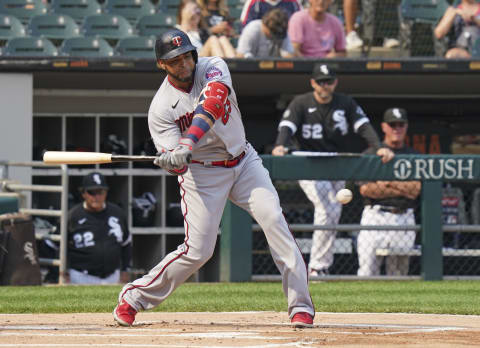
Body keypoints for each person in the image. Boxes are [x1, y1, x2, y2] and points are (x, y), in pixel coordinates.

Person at [113, 28, 315, 328]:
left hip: (244, 162)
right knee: (198, 251)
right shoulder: (160, 108)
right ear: (161, 65)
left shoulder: (213, 66)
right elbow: (178, 166)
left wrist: (187, 143)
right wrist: (172, 161)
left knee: (274, 220)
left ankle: (300, 305)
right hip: (203, 173)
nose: (183, 64)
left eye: (186, 56)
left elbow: (214, 101)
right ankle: (134, 297)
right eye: (174, 61)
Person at [271, 64, 394, 277]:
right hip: (308, 163)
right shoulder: (301, 102)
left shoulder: (345, 102)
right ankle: (317, 267)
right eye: (320, 82)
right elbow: (287, 127)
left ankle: (322, 266)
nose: (324, 86)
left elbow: (363, 126)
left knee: (334, 210)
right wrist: (280, 144)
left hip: (336, 163)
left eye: (328, 81)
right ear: (313, 83)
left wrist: (379, 146)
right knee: (326, 207)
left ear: (335, 82)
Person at [357, 108, 421, 276]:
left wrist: (386, 183)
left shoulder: (413, 155)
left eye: (401, 125)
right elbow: (366, 189)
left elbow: (415, 190)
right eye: (393, 125)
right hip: (375, 216)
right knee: (367, 271)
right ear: (384, 127)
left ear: (406, 127)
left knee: (398, 274)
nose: (397, 129)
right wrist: (401, 186)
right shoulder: (371, 153)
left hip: (405, 217)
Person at [67, 172, 131, 284]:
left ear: (106, 192)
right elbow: (59, 246)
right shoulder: (73, 215)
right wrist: (61, 271)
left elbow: (126, 244)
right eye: (92, 192)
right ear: (83, 193)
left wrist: (125, 270)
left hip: (112, 275)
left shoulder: (117, 213)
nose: (97, 197)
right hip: (81, 276)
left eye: (100, 192)